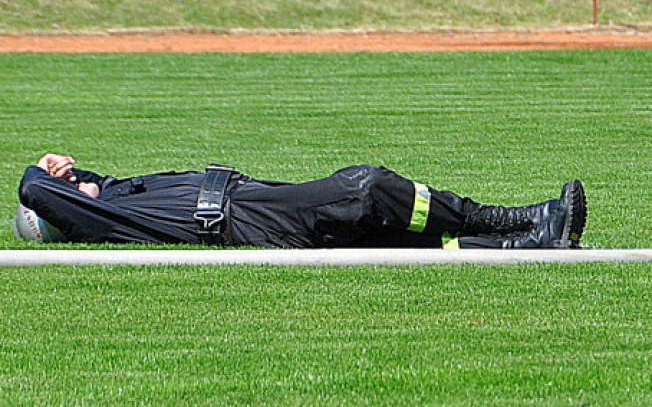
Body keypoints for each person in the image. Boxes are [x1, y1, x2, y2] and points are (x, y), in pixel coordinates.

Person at [16, 153, 587, 249]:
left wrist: (74, 174)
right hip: (246, 220)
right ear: (63, 217)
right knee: (366, 187)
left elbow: (88, 183)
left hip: (252, 204)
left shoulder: (114, 195)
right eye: (68, 187)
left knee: (387, 237)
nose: (72, 178)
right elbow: (36, 191)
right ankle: (523, 218)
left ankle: (530, 241)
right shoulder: (101, 222)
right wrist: (41, 172)